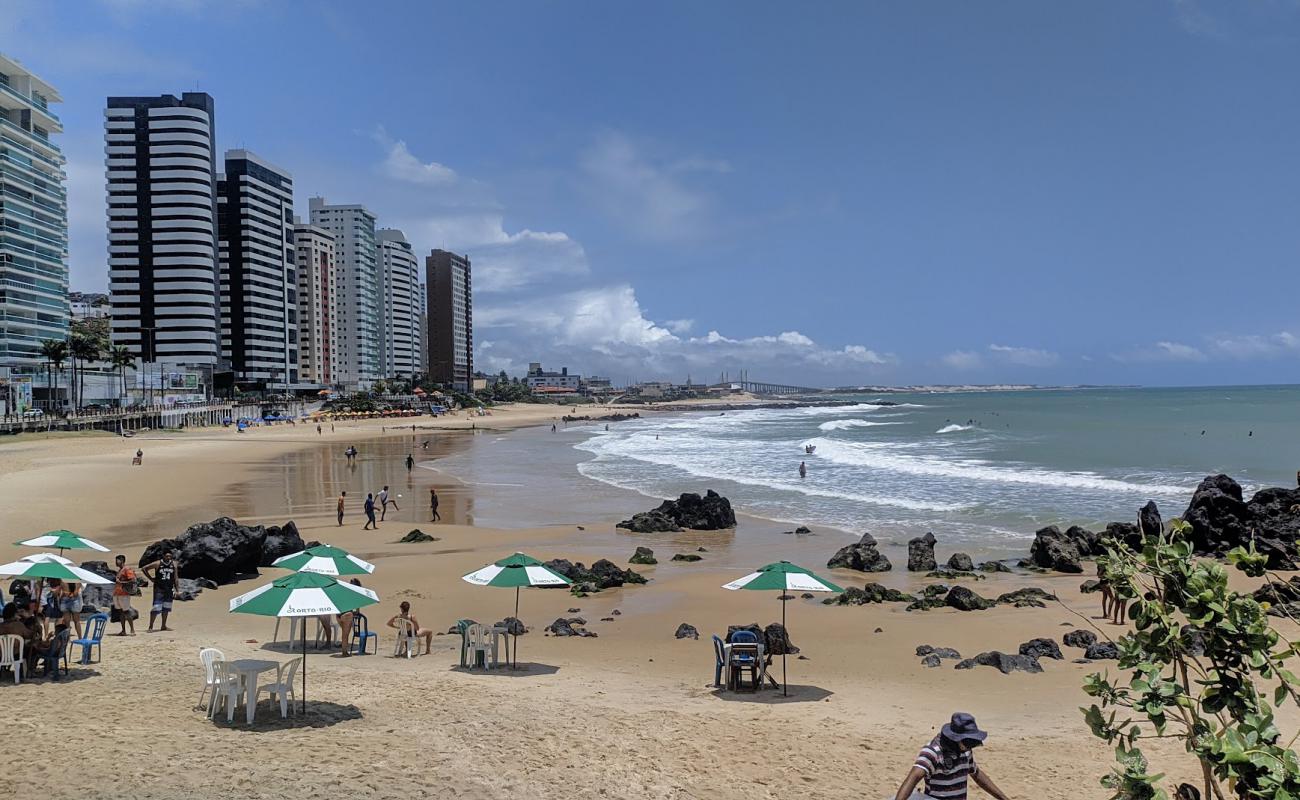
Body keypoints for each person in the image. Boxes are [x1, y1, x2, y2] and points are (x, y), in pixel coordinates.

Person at [893, 713, 1010, 800]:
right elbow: (912, 779)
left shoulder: (965, 751)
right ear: (955, 738)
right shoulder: (932, 752)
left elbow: (977, 775)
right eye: (968, 742)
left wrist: (1004, 798)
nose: (970, 746)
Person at [141, 551, 180, 632]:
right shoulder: (158, 563)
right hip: (159, 589)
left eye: (170, 556)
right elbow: (144, 568)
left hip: (169, 589)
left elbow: (176, 578)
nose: (168, 558)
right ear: (163, 556)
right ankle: (150, 626)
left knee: (166, 607)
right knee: (156, 607)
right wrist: (151, 578)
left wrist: (177, 590)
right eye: (167, 556)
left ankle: (163, 626)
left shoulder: (174, 564)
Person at [337, 578, 365, 657]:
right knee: (345, 635)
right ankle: (344, 652)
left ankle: (344, 650)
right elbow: (357, 611)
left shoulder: (345, 591)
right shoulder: (355, 593)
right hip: (347, 614)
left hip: (338, 614)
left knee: (343, 634)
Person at [112, 554, 137, 636]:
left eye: (117, 560)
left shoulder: (127, 569)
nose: (116, 562)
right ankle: (123, 630)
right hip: (117, 593)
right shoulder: (120, 570)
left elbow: (133, 580)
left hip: (124, 594)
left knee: (126, 611)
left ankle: (132, 630)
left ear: (122, 561)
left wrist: (121, 582)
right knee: (121, 612)